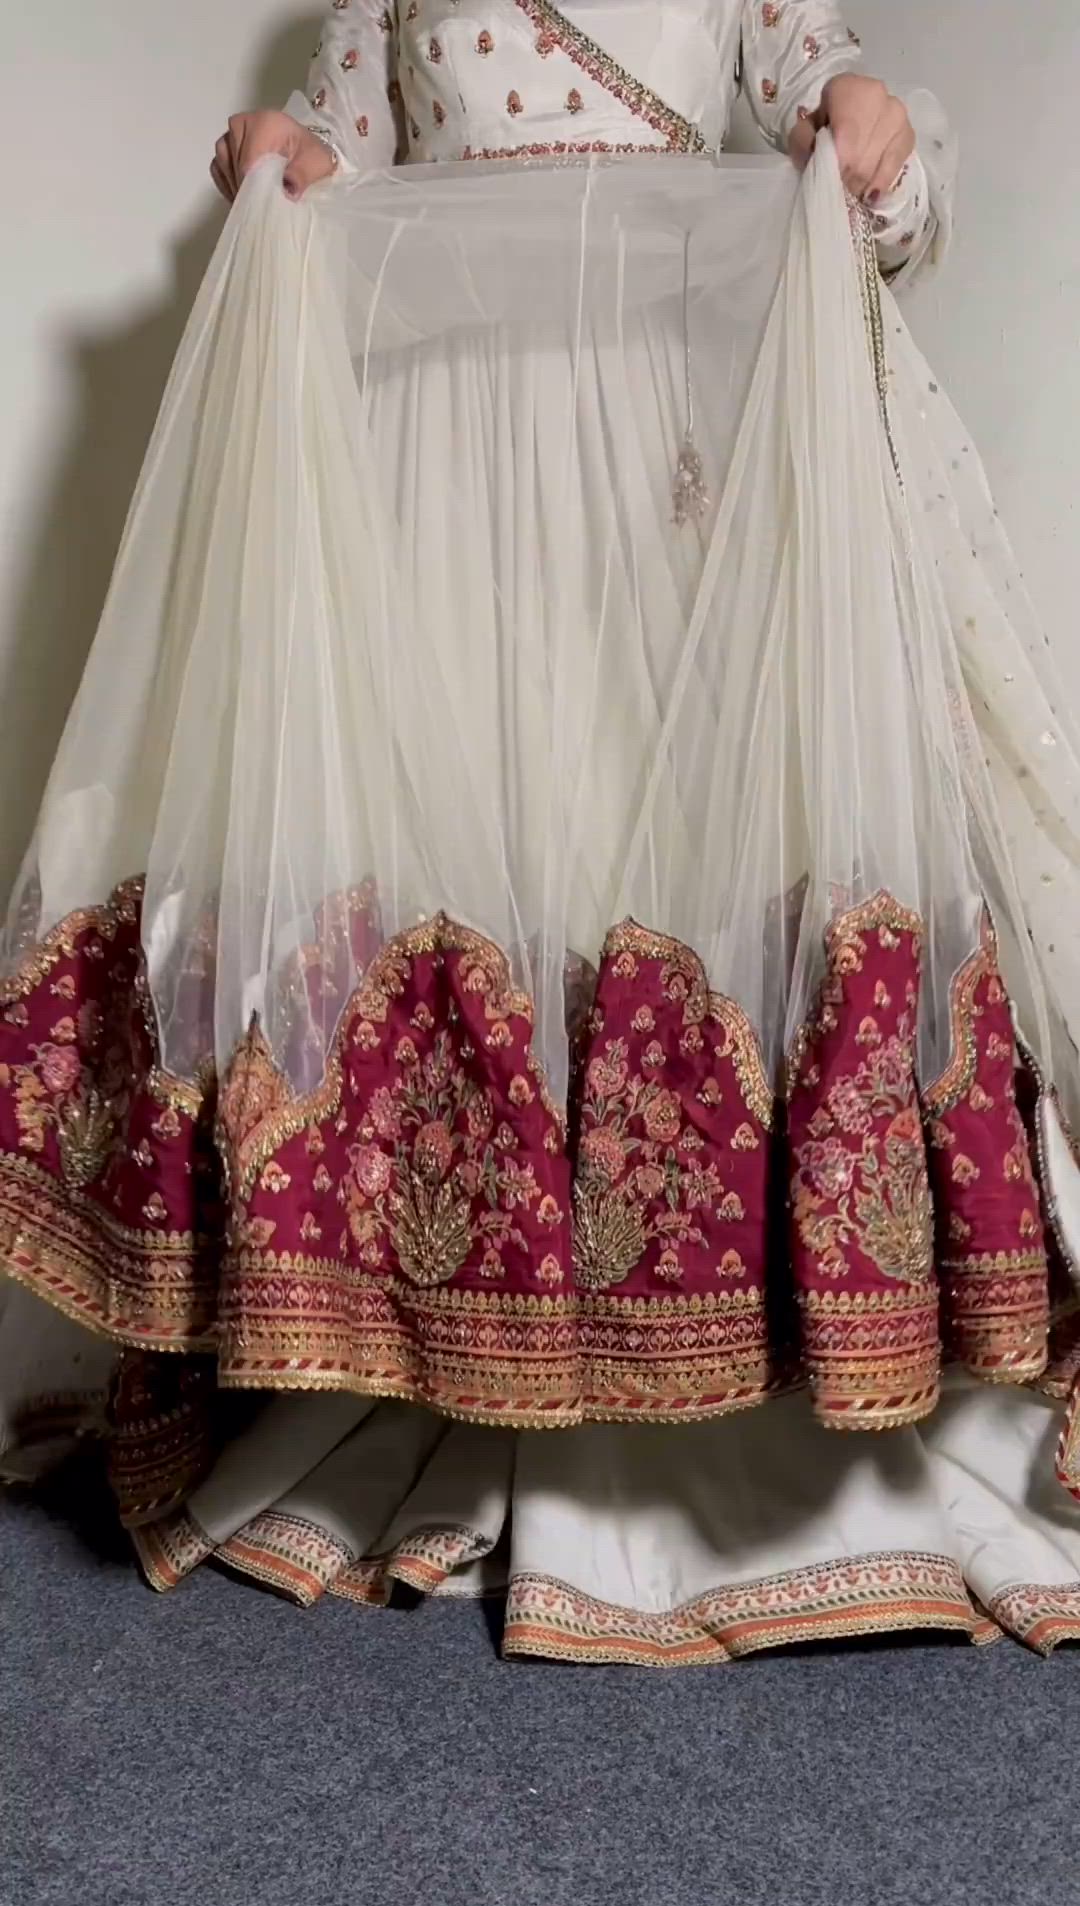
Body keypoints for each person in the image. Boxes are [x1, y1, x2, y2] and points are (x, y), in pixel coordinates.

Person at [2, 0, 1080, 1666]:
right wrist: (279, 161)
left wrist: (872, 124)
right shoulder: (396, 0)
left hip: (662, 480)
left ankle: (686, 1419)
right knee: (476, 891)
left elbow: (865, 163)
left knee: (651, 882)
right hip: (444, 484)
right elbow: (335, 145)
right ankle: (460, 1359)